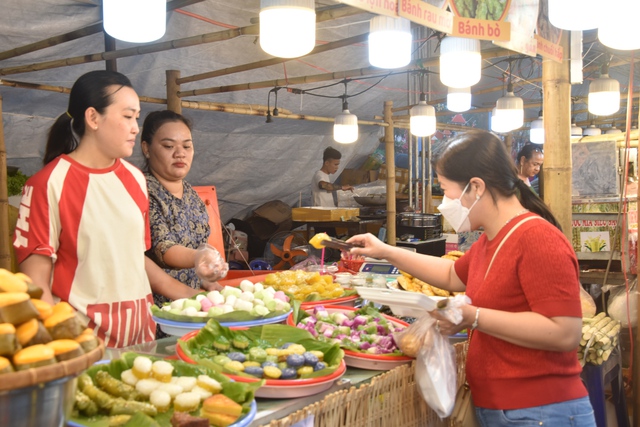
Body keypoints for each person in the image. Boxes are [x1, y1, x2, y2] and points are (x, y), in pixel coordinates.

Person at [347, 130, 595, 427]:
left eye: (445, 189)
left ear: (475, 187)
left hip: (540, 411)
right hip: (505, 409)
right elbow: (452, 275)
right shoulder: (493, 239)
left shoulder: (537, 239)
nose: (444, 201)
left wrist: (473, 316)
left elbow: (564, 333)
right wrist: (386, 251)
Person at [11, 70, 182, 348]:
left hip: (141, 338)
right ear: (92, 118)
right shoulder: (48, 184)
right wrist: (62, 347)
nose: (135, 127)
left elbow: (133, 258)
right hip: (81, 344)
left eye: (136, 117)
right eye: (127, 116)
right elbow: (36, 284)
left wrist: (192, 295)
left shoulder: (136, 180)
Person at [140, 110, 226, 314]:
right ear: (146, 148)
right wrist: (199, 257)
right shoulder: (142, 189)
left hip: (191, 308)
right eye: (169, 146)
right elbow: (163, 248)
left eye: (187, 146)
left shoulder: (192, 195)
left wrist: (208, 283)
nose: (180, 153)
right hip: (158, 311)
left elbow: (199, 244)